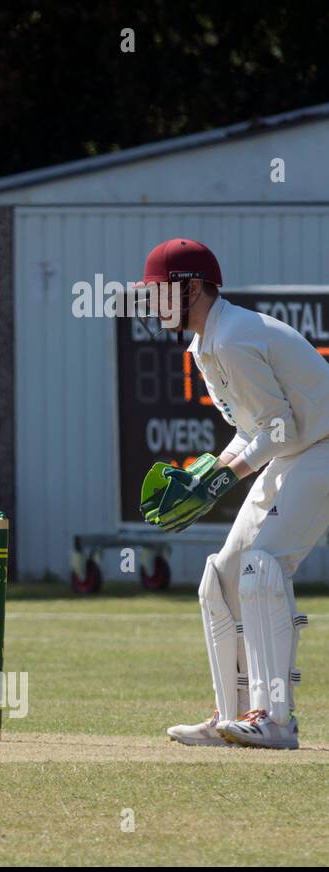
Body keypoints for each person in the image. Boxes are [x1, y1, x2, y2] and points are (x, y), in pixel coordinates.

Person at [138, 239, 323, 750]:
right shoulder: (204, 346)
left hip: (322, 446)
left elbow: (281, 427)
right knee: (221, 576)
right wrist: (206, 475)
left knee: (261, 565)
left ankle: (276, 720)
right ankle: (231, 717)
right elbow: (253, 430)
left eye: (159, 292)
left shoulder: (236, 337)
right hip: (296, 451)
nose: (154, 304)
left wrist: (222, 480)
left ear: (192, 287)